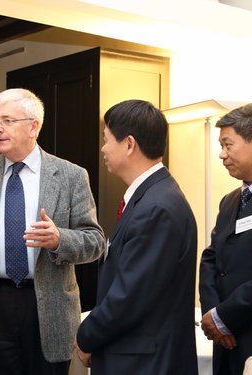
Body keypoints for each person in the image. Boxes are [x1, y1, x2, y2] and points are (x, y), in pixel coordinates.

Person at [0, 88, 105, 375]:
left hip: (49, 309)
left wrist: (60, 239)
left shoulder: (71, 176)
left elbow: (95, 241)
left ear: (33, 126)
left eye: (7, 121)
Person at [75, 99, 198, 375]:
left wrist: (86, 335)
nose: (103, 148)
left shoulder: (157, 207)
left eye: (106, 140)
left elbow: (130, 296)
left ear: (129, 144)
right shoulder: (151, 197)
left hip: (145, 362)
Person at [199, 103, 252, 375]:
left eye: (228, 145)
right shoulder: (230, 201)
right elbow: (211, 258)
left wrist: (224, 316)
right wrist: (211, 316)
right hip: (224, 339)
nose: (221, 154)